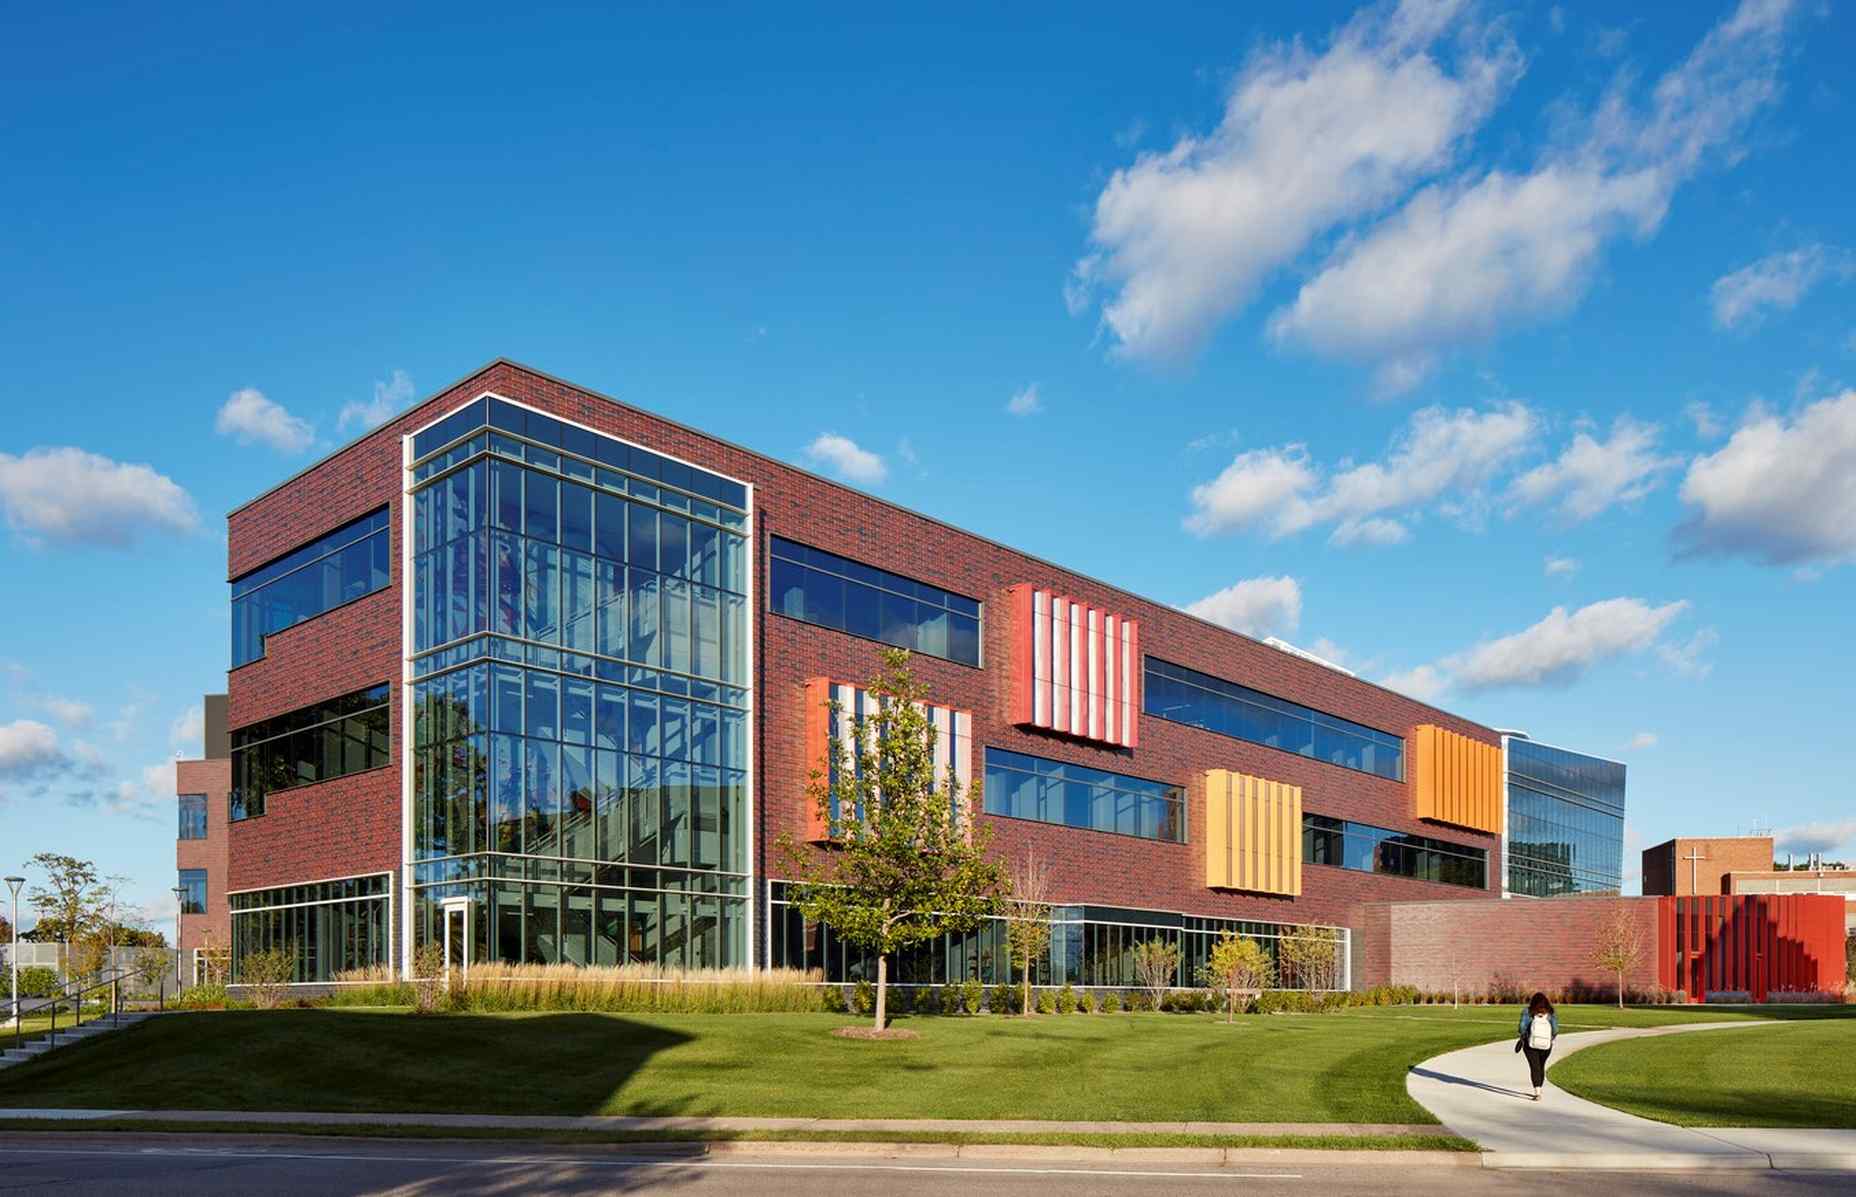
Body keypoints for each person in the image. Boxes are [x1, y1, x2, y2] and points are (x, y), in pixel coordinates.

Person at [1515, 991, 1558, 1100]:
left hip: (1530, 1044)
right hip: (1546, 1045)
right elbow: (1555, 1030)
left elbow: (1522, 1028)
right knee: (1541, 1066)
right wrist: (1551, 1038)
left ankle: (1537, 1092)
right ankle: (1540, 1088)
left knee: (1534, 1067)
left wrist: (1523, 1035)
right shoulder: (1551, 1012)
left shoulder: (1528, 1011)